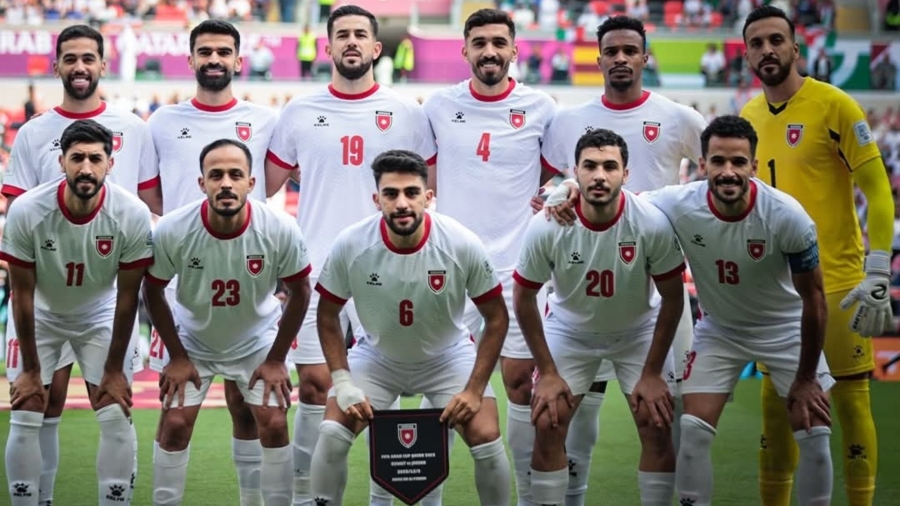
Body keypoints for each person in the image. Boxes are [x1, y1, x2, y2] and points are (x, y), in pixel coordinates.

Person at [263, 6, 436, 505]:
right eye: (342, 35)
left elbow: (429, 191)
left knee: (391, 386)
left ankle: (387, 496)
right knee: (315, 388)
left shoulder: (406, 111)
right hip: (318, 269)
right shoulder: (298, 111)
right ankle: (307, 497)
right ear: (328, 47)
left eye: (361, 34)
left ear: (377, 47)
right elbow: (267, 186)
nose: (352, 42)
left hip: (391, 269)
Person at [539, 15, 706, 504]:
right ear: (598, 59)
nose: (620, 58)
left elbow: (717, 170)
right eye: (611, 51)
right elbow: (545, 186)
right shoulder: (569, 121)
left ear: (644, 57)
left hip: (660, 286)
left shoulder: (678, 117)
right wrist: (558, 192)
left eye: (629, 50)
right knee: (578, 411)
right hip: (585, 284)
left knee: (668, 411)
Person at [1, 24, 161, 506]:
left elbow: (130, 294)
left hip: (103, 302)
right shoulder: (33, 151)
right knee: (32, 405)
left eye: (88, 57)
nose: (86, 167)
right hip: (43, 302)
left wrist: (114, 367)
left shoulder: (133, 134)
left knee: (114, 404)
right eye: (70, 58)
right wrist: (30, 367)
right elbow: (21, 284)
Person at [739, 7, 893, 506]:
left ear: (795, 47)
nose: (767, 50)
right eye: (756, 43)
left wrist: (878, 267)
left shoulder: (835, 105)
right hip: (776, 292)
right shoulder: (747, 119)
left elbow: (878, 189)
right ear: (747, 56)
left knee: (851, 403)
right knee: (775, 408)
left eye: (775, 40)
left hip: (838, 284)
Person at [640, 115, 834, 505]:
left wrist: (806, 377)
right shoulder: (678, 202)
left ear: (754, 166)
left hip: (786, 329)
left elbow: (814, 299)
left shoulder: (787, 216)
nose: (728, 171)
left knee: (814, 431)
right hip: (720, 330)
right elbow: (625, 203)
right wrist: (571, 189)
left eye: (738, 162)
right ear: (702, 164)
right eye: (718, 161)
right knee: (692, 430)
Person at [309, 150, 512, 506]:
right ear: (377, 200)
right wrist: (342, 383)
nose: (402, 203)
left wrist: (474, 389)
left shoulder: (460, 242)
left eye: (411, 193)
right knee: (331, 434)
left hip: (448, 358)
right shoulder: (351, 243)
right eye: (391, 194)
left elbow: (497, 318)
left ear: (428, 197)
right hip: (378, 359)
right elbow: (327, 316)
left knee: (487, 441)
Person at [420, 9, 558, 505]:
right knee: (436, 379)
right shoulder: (438, 106)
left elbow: (558, 176)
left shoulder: (541, 107)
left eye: (499, 42)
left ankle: (526, 497)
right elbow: (425, 178)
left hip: (519, 272)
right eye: (479, 42)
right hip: (450, 270)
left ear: (515, 50)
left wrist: (553, 195)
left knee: (520, 383)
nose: (489, 51)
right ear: (465, 50)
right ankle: (425, 495)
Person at [146, 20, 279, 505]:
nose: (215, 59)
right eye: (205, 51)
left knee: (248, 409)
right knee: (175, 417)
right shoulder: (162, 121)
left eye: (224, 51)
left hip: (248, 284)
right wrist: (189, 237)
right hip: (184, 289)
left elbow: (269, 189)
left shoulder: (264, 120)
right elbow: (152, 196)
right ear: (191, 60)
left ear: (239, 60)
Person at [514, 129, 684, 505]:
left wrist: (652, 373)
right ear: (575, 172)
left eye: (610, 166)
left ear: (626, 174)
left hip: (638, 333)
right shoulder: (548, 224)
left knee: (657, 422)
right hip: (570, 333)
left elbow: (674, 298)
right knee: (547, 421)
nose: (600, 176)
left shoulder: (650, 222)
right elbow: (523, 298)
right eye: (590, 166)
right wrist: (548, 372)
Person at [143, 139, 312, 506]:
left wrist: (276, 359)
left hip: (256, 340)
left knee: (274, 422)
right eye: (215, 175)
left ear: (251, 183)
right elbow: (152, 291)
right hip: (192, 339)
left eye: (235, 175)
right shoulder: (173, 228)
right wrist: (177, 356)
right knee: (174, 424)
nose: (225, 183)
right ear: (201, 183)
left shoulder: (279, 228)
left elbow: (300, 292)